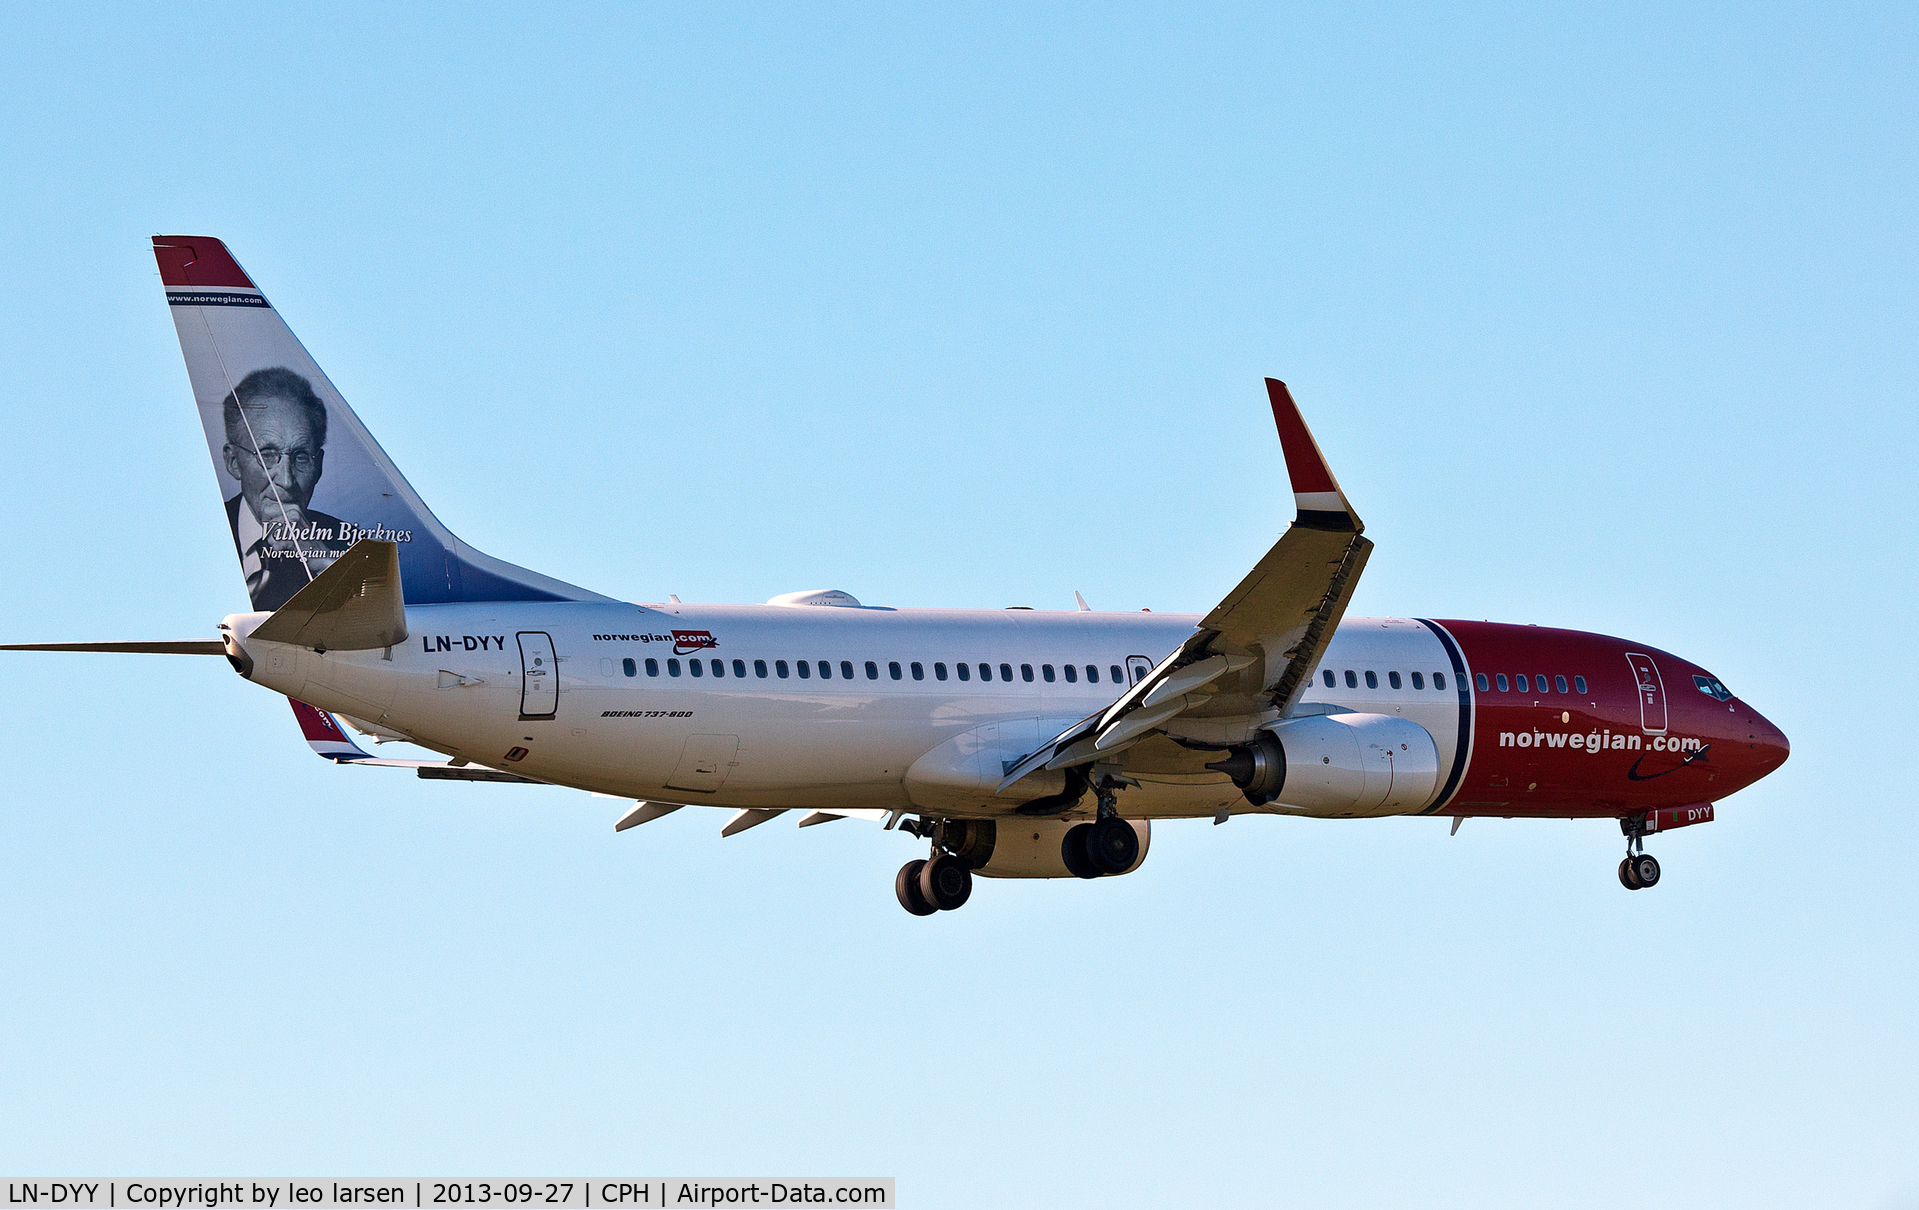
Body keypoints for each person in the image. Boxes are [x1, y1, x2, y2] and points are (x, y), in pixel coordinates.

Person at [220, 367, 354, 610]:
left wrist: (326, 565)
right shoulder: (207, 536)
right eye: (267, 455)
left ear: (319, 465)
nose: (287, 480)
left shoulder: (348, 544)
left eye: (301, 457)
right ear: (233, 462)